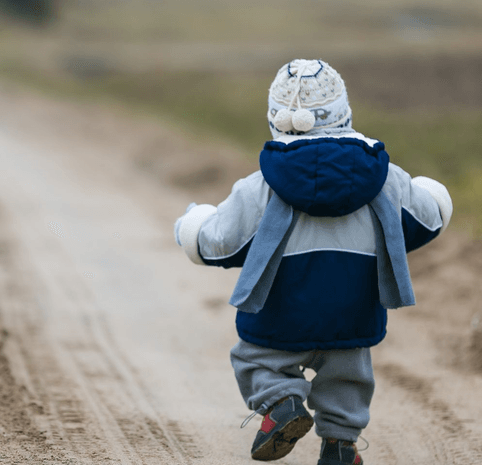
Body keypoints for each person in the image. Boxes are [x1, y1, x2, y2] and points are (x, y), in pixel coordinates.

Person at [173, 59, 453, 464]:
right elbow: (427, 218)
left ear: (275, 119)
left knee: (254, 360)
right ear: (344, 114)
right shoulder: (387, 180)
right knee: (348, 376)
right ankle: (340, 444)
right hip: (352, 317)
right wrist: (435, 193)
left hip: (279, 318)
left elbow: (221, 243)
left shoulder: (261, 188)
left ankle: (282, 404)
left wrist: (192, 226)